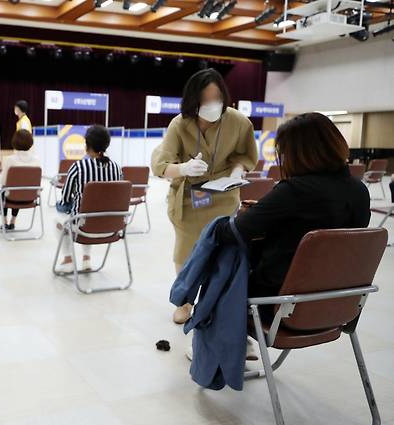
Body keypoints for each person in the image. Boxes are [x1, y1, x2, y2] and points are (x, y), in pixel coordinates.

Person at [215, 112, 371, 300]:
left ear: (296, 153)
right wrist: (268, 212)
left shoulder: (293, 191)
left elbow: (231, 233)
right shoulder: (360, 190)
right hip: (338, 302)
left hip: (281, 301)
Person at [151, 68, 258, 324]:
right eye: (205, 100)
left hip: (223, 197)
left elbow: (245, 155)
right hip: (189, 198)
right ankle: (184, 302)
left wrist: (236, 171)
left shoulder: (239, 122)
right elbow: (161, 165)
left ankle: (213, 301)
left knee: (221, 252)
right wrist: (184, 168)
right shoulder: (180, 124)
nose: (212, 105)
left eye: (216, 98)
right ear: (193, 100)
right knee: (186, 251)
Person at [54, 125, 123, 273]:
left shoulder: (78, 167)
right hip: (112, 228)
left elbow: (65, 197)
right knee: (91, 212)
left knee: (60, 216)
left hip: (83, 228)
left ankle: (68, 260)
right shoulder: (117, 169)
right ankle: (86, 259)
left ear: (87, 145)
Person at [0, 129, 40, 231]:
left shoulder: (10, 160)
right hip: (31, 197)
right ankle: (13, 221)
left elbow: (3, 182)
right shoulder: (37, 160)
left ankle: (5, 222)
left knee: (5, 192)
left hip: (11, 197)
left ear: (14, 142)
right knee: (18, 189)